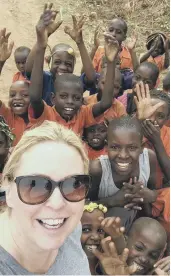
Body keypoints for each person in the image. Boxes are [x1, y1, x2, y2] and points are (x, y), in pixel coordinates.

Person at [0, 120, 92, 274]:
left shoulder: (70, 228)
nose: (57, 204)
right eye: (35, 185)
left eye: (73, 185)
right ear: (8, 189)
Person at [28, 4, 119, 136]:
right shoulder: (46, 114)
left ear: (82, 100)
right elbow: (35, 97)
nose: (70, 101)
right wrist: (41, 45)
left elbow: (105, 102)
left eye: (76, 98)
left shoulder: (82, 115)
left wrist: (111, 63)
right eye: (64, 96)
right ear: (52, 99)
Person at [88, 116, 160, 226]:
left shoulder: (148, 159)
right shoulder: (97, 169)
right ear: (106, 147)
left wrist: (150, 196)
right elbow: (83, 207)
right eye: (115, 147)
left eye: (132, 148)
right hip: (101, 228)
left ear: (141, 147)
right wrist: (112, 201)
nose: (123, 155)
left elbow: (154, 191)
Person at [26, 8, 96, 105]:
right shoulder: (45, 78)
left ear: (74, 66)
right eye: (57, 62)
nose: (63, 67)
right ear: (49, 62)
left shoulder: (75, 83)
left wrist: (80, 43)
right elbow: (29, 70)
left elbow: (91, 78)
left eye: (68, 64)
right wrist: (42, 39)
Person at [135, 85, 170, 188]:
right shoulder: (131, 127)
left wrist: (157, 141)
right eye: (149, 112)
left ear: (167, 119)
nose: (153, 120)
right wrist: (139, 120)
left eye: (160, 116)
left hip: (157, 193)